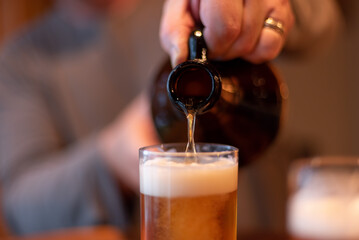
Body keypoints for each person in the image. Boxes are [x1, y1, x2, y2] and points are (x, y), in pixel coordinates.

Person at [0, 0, 342, 238]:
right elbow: (20, 209)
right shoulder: (19, 61)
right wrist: (112, 154)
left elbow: (325, 18)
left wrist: (267, 10)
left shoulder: (188, 12)